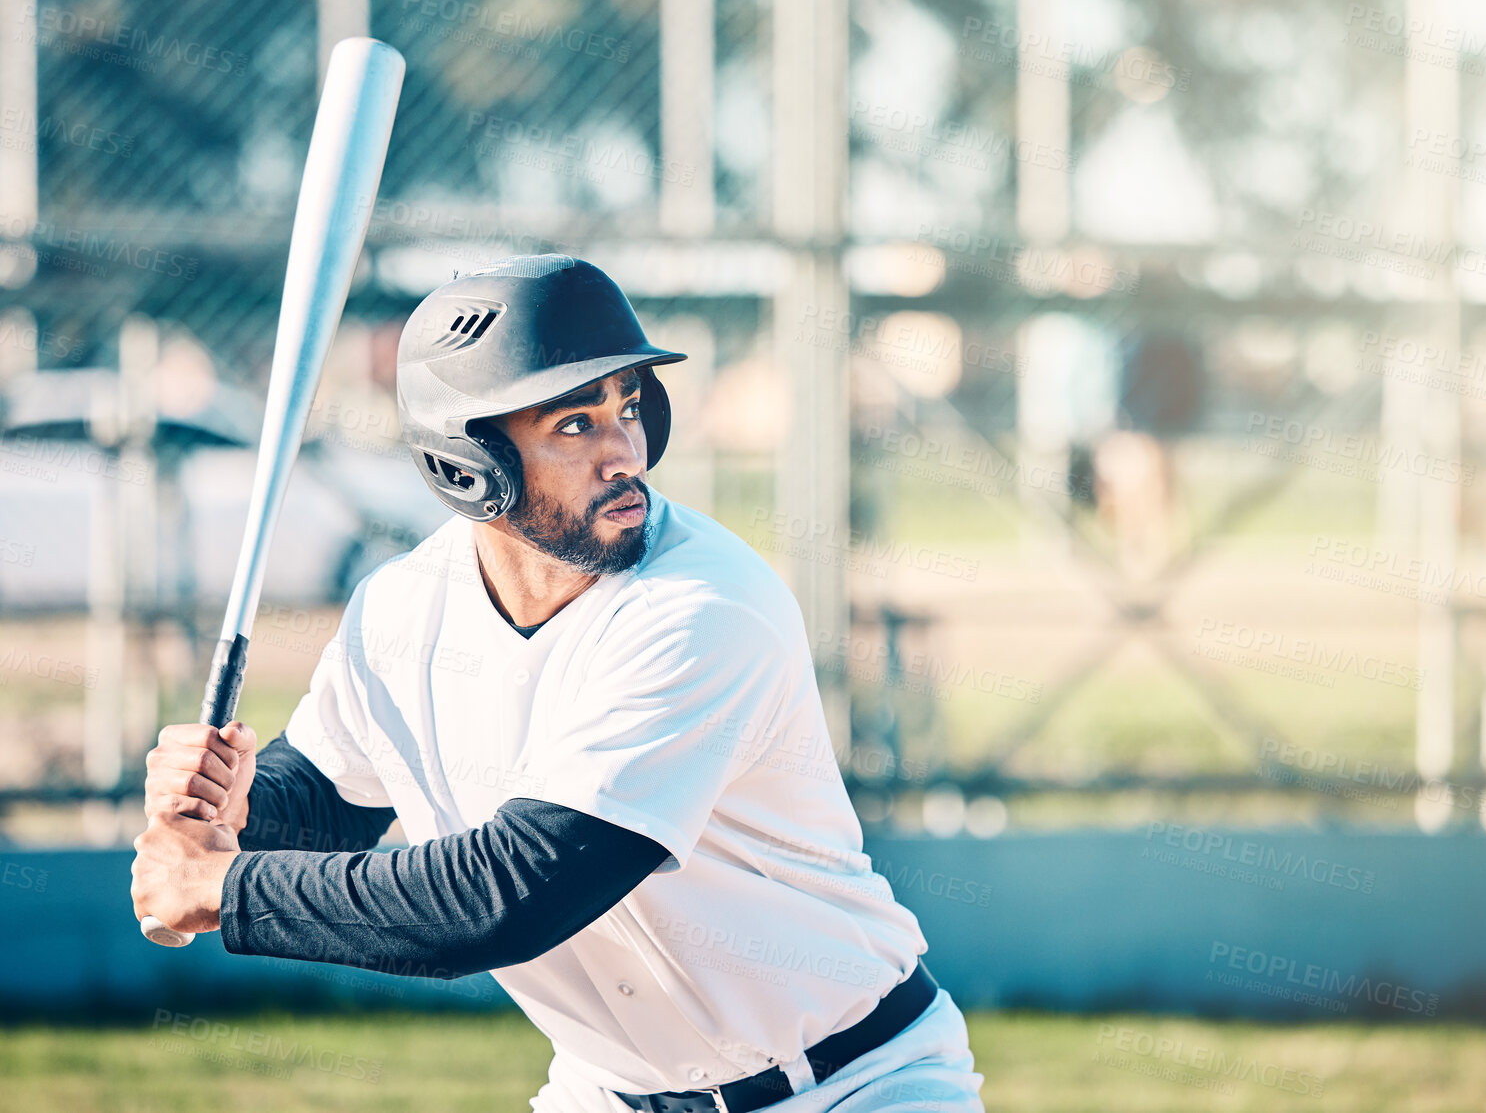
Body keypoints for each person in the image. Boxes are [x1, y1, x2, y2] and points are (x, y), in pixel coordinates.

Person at [130, 254, 987, 1112]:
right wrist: (233, 809)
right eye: (574, 425)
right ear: (468, 464)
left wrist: (219, 885)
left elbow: (513, 895)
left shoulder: (702, 608)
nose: (624, 452)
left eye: (627, 409)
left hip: (851, 1083)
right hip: (608, 1094)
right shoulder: (400, 610)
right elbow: (322, 798)